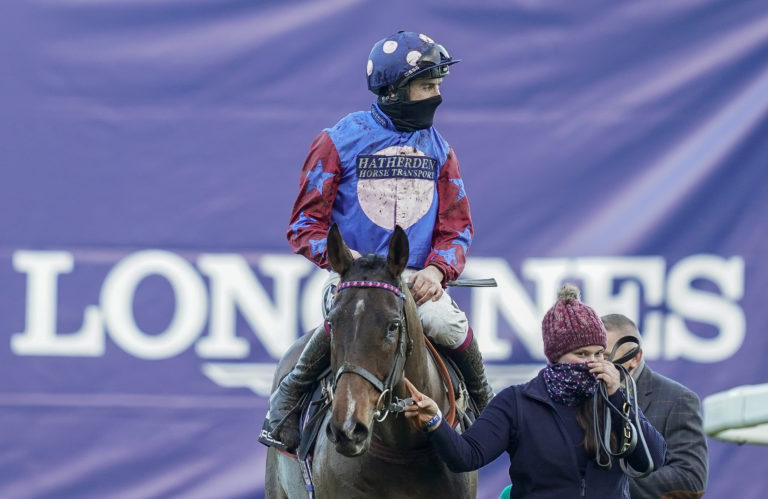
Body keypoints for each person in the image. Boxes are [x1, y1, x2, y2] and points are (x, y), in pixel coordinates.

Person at [267, 30, 494, 451]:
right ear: (394, 90)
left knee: (447, 323)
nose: (437, 96)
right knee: (347, 323)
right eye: (427, 86)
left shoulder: (441, 150)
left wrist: (437, 270)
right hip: (354, 278)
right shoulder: (336, 141)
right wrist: (346, 261)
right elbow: (304, 225)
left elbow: (457, 227)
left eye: (438, 86)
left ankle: (486, 406)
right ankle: (285, 404)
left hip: (414, 281)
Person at [404, 284, 666, 498]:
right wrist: (435, 421)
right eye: (581, 354)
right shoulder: (517, 401)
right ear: (556, 355)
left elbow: (652, 459)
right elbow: (467, 456)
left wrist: (617, 397)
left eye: (598, 354)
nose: (591, 362)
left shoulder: (611, 400)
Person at [602, 314, 708, 499]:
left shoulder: (678, 399)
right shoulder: (581, 394)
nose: (596, 363)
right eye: (591, 354)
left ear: (635, 358)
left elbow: (690, 479)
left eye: (605, 356)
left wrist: (609, 483)